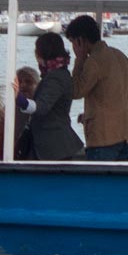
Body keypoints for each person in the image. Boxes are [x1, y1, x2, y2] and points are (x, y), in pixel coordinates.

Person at [66, 14, 128, 161]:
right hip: (125, 134)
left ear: (80, 40)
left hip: (104, 139)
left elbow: (76, 90)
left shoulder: (93, 61)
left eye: (73, 42)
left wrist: (79, 59)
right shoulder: (120, 56)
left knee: (98, 183)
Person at [18, 31, 84, 160]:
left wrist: (18, 98)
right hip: (56, 146)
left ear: (41, 53)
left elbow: (40, 108)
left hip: (55, 148)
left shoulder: (56, 78)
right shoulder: (57, 74)